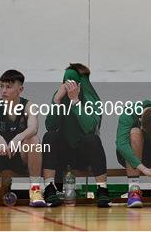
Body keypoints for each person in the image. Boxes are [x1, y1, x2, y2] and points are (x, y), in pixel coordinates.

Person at [42, 63, 110, 207]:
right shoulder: (59, 96)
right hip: (63, 153)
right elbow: (50, 125)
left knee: (92, 139)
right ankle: (49, 188)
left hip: (84, 154)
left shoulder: (92, 99)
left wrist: (75, 101)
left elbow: (89, 127)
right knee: (49, 137)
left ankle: (102, 190)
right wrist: (57, 101)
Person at [0, 69, 46, 208]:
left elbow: (33, 127)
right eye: (1, 86)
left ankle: (35, 189)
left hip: (20, 157)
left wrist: (17, 138)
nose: (3, 90)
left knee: (33, 140)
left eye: (8, 87)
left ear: (20, 89)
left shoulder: (29, 105)